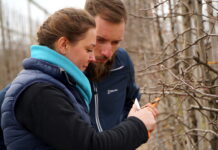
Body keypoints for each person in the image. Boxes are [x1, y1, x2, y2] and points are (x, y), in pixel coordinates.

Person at [1, 8, 157, 150]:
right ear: (63, 45)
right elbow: (90, 145)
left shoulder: (53, 84)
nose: (92, 57)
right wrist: (138, 125)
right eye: (89, 49)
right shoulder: (39, 91)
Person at [85, 0, 142, 131]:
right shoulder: (66, 67)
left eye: (115, 42)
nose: (108, 53)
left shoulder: (123, 61)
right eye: (100, 40)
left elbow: (133, 102)